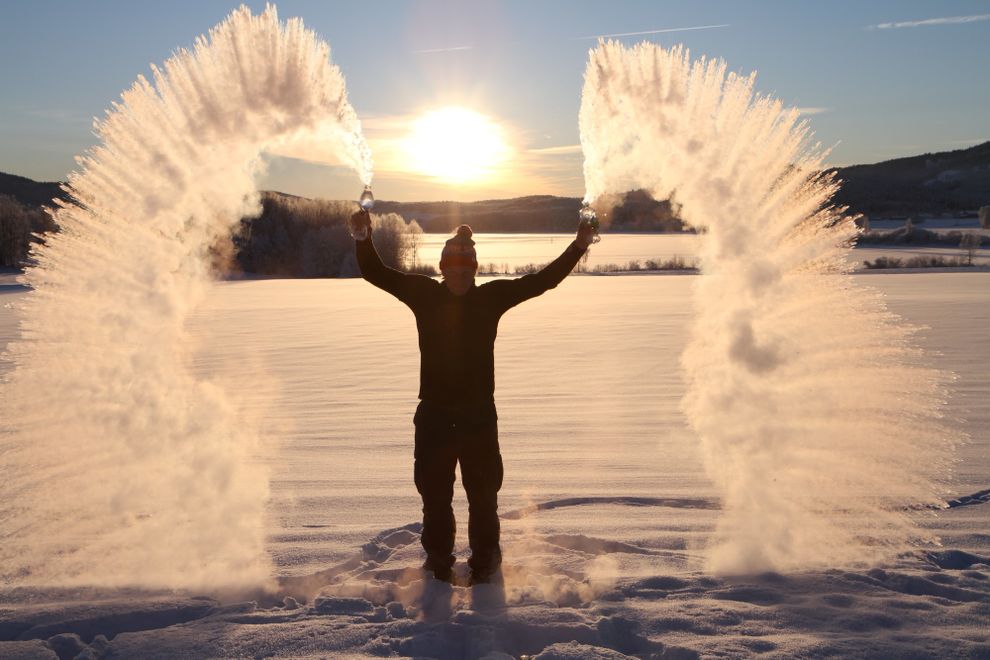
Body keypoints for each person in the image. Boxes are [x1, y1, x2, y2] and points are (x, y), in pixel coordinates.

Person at [352, 209, 595, 584]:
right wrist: (363, 238)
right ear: (443, 269)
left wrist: (578, 246)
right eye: (454, 269)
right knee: (434, 499)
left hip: (478, 416)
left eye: (467, 271)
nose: (461, 277)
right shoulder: (424, 295)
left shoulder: (491, 299)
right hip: (433, 417)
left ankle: (485, 562)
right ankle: (438, 562)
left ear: (475, 271)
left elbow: (542, 281)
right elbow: (376, 273)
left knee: (483, 498)